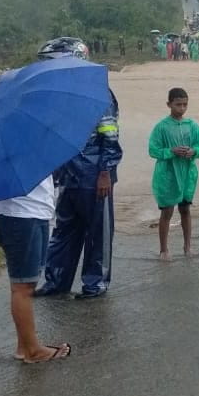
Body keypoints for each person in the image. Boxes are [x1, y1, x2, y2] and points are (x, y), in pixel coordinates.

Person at [35, 38, 123, 299]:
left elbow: (110, 135)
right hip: (68, 174)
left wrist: (105, 172)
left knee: (98, 232)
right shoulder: (57, 95)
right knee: (63, 230)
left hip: (95, 174)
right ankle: (56, 280)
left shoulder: (97, 92)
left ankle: (95, 284)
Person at [0, 173, 71, 363]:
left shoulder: (32, 146)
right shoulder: (14, 147)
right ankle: (32, 351)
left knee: (26, 285)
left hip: (34, 214)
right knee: (23, 288)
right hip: (22, 218)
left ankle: (24, 345)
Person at [149, 88, 199, 259]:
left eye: (185, 105)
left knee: (185, 209)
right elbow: (153, 150)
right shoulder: (161, 127)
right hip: (168, 175)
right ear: (169, 104)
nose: (182, 108)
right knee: (167, 211)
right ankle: (164, 250)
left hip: (188, 173)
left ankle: (188, 246)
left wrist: (193, 151)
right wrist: (171, 151)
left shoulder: (192, 126)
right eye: (178, 105)